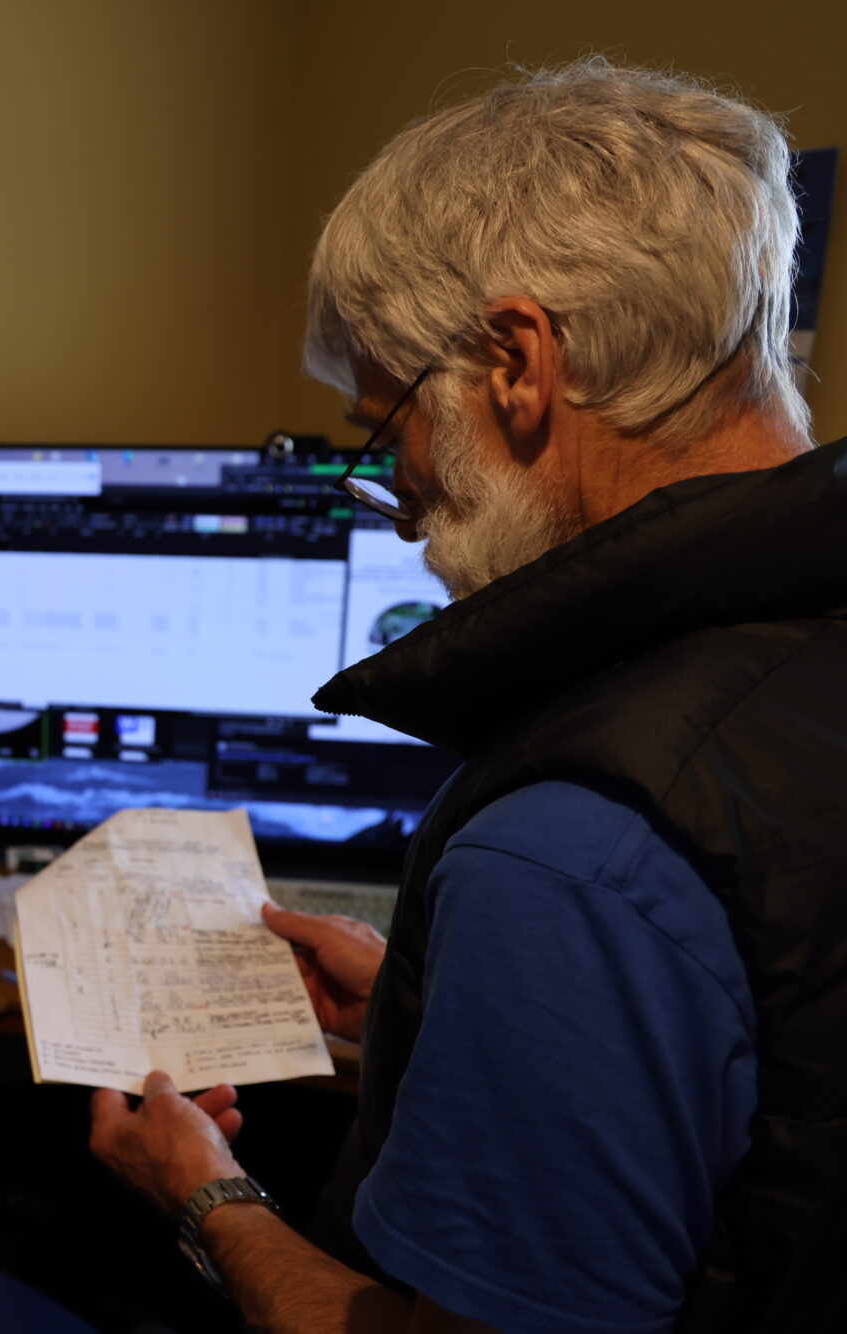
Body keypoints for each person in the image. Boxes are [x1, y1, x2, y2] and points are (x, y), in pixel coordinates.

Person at [89, 60, 845, 1333]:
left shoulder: (568, 848)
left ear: (514, 363)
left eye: (381, 425)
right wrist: (425, 1009)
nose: (396, 511)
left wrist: (206, 1198)